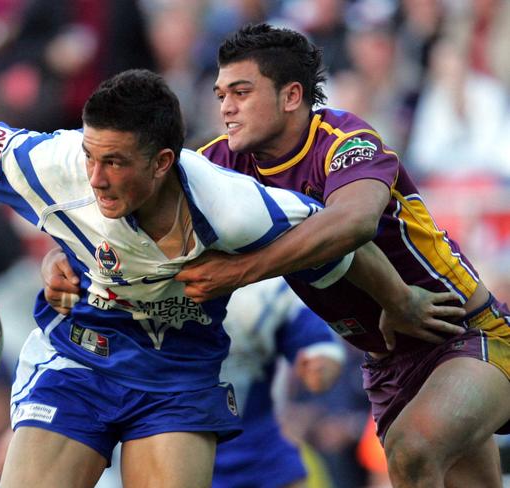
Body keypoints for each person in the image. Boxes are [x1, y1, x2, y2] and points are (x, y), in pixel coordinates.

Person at [0, 69, 460, 488]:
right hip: (77, 357)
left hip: (177, 372)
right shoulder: (48, 162)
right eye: (91, 155)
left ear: (164, 162)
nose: (95, 177)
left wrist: (402, 299)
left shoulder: (232, 205)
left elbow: (341, 236)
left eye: (115, 162)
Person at [175, 23, 510, 487]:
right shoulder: (219, 162)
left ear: (292, 96)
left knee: (413, 450)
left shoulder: (346, 139)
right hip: (386, 360)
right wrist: (63, 263)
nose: (226, 108)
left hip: (463, 333)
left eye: (241, 92)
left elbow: (353, 224)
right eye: (220, 95)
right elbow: (144, 215)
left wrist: (239, 271)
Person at [42, 249, 344, 488]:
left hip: (262, 459)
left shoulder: (267, 291)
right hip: (164, 451)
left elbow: (319, 351)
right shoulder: (131, 271)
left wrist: (320, 368)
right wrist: (54, 265)